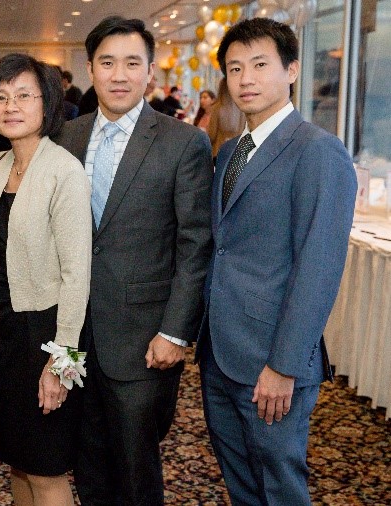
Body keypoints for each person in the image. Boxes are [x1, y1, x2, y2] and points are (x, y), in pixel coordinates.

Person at [198, 18, 357, 505]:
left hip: (273, 361)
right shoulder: (229, 154)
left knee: (280, 486)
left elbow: (319, 267)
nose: (245, 79)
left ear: (291, 70)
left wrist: (284, 365)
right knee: (241, 484)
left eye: (260, 65)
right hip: (220, 353)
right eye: (235, 68)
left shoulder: (318, 151)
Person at [55, 16, 213, 504]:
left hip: (143, 339)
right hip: (73, 335)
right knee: (88, 464)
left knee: (136, 468)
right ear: (89, 69)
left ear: (149, 71)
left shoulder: (183, 142)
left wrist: (174, 332)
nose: (119, 74)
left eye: (131, 63)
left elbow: (195, 244)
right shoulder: (67, 136)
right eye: (107, 62)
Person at [0, 53, 91, 506]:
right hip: (1, 331)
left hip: (44, 332)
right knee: (16, 460)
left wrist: (62, 363)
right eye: (1, 96)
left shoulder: (64, 171)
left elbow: (77, 274)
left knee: (45, 466)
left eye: (24, 95)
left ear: (48, 104)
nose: (11, 106)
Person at [207, 77, 246, 159]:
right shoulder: (243, 108)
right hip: (239, 153)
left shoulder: (217, 108)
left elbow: (211, 135)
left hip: (220, 152)